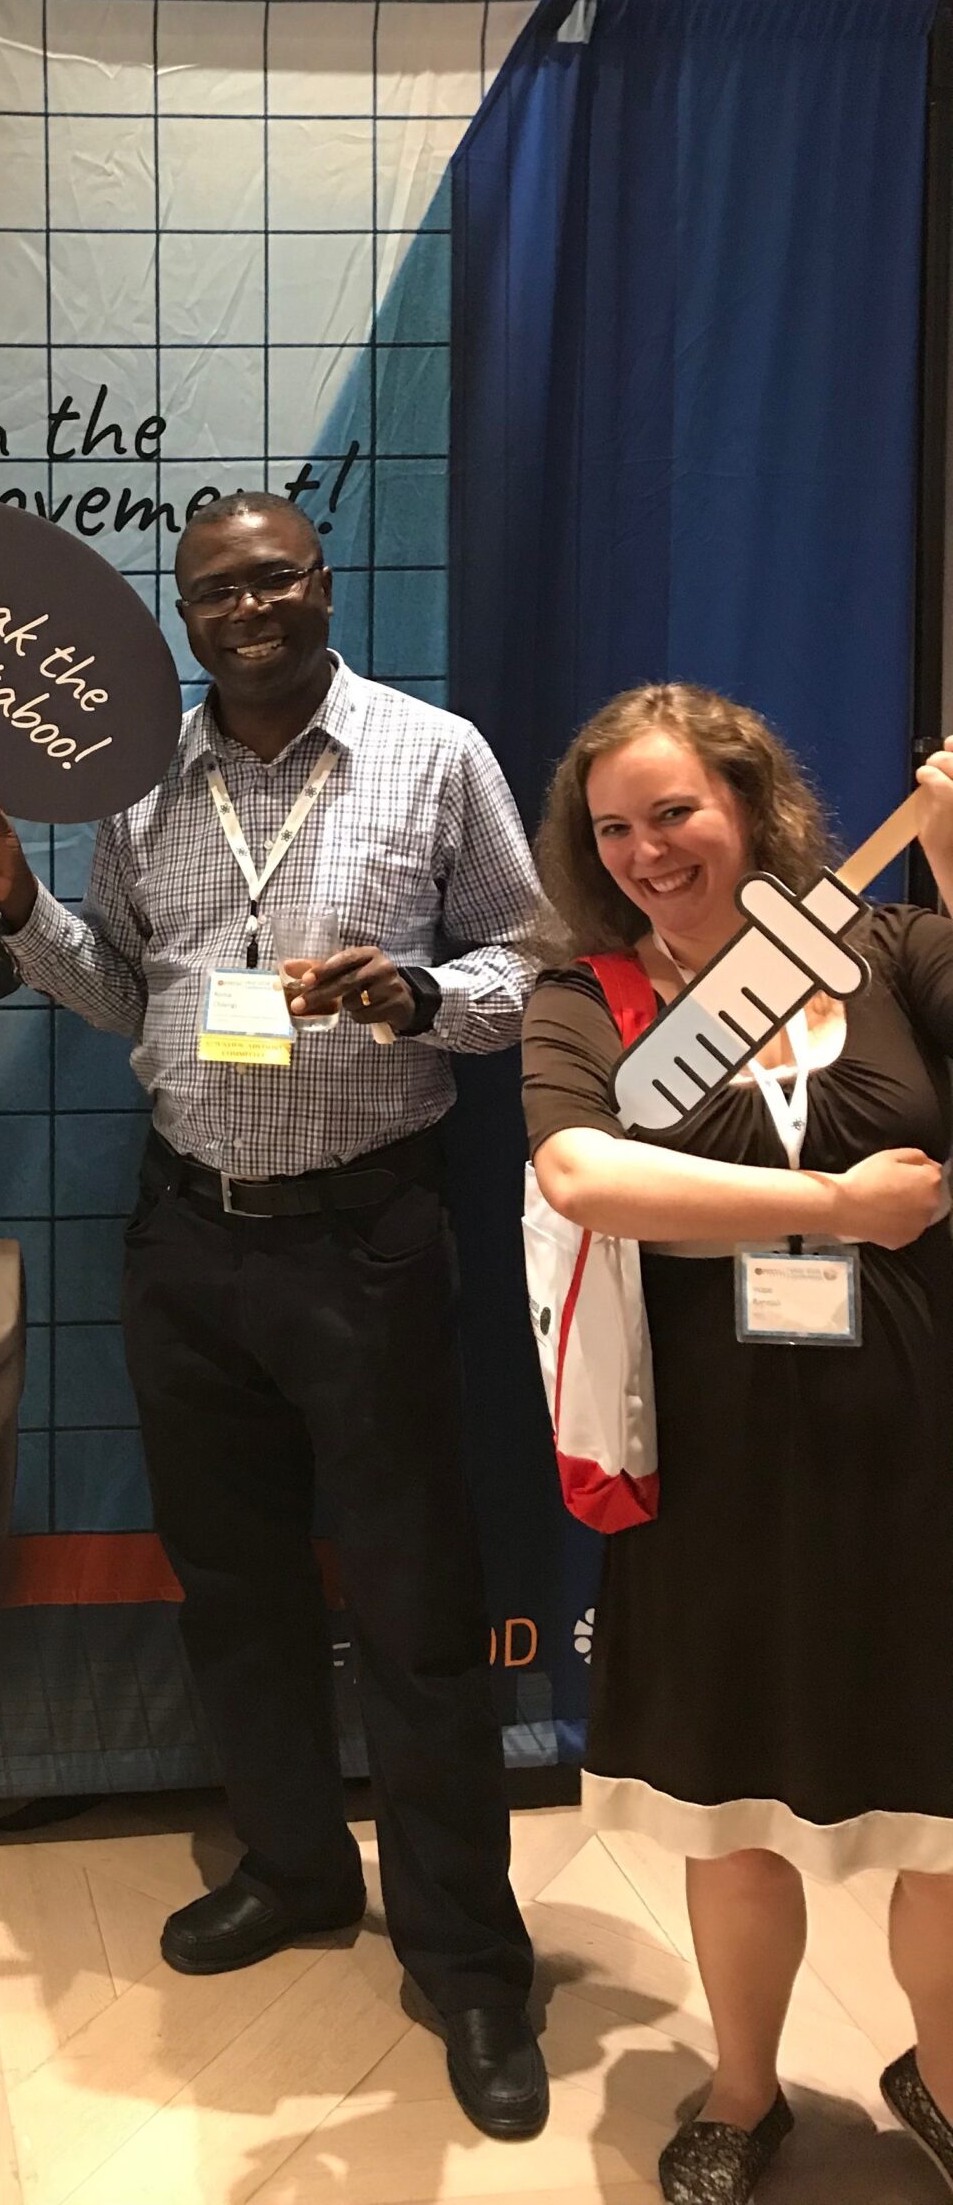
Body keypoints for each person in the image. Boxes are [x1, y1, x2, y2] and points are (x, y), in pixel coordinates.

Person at [0, 491, 549, 2140]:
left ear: (325, 584)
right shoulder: (133, 780)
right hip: (189, 1240)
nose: (250, 606)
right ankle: (292, 1869)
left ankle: (470, 1962)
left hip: (368, 1241)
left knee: (419, 1608)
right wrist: (15, 910)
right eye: (218, 589)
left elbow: (534, 968)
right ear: (184, 615)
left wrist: (420, 991)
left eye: (275, 576)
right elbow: (130, 997)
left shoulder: (434, 756)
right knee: (235, 1590)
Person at [524, 683, 953, 2204]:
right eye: (615, 828)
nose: (647, 850)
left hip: (920, 1464)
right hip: (707, 1469)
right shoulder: (588, 1001)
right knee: (723, 1802)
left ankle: (945, 2080)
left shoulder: (894, 951)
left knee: (941, 1811)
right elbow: (584, 1175)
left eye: (676, 813)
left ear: (754, 806)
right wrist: (834, 1210)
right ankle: (745, 2085)